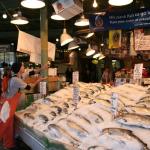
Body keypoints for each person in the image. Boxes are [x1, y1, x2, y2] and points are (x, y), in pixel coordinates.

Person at [0, 62, 47, 150]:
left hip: (10, 103)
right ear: (19, 69)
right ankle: (6, 144)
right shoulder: (16, 80)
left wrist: (42, 68)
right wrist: (38, 81)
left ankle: (9, 144)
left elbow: (31, 72)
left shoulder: (19, 76)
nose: (24, 67)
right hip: (7, 105)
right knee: (5, 125)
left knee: (9, 125)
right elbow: (29, 87)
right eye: (22, 66)